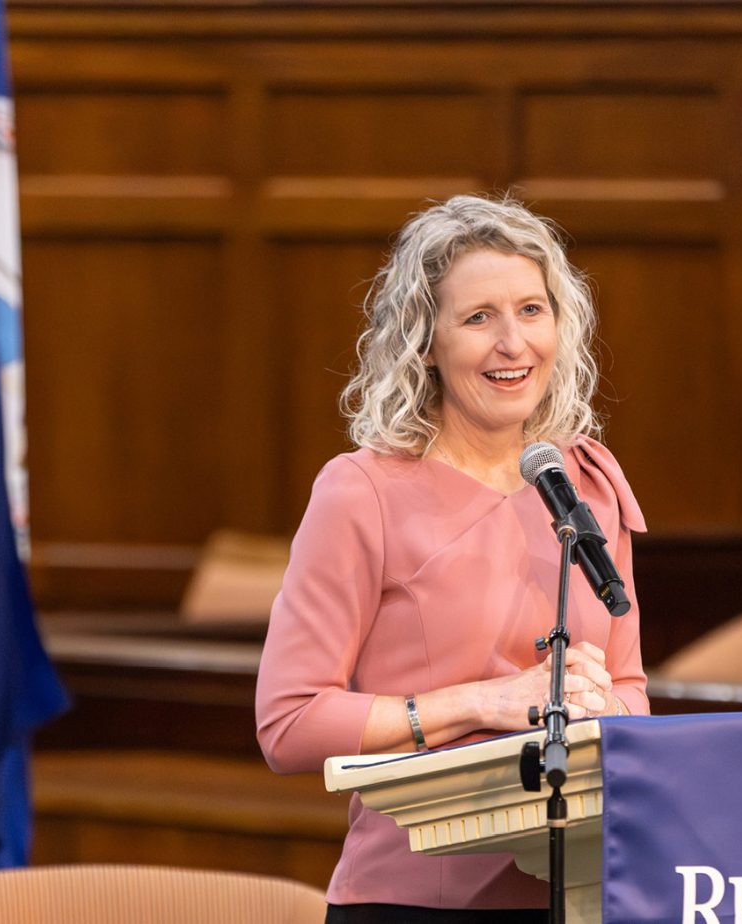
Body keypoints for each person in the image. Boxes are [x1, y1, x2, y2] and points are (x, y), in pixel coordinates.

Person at [255, 194, 650, 922]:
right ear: (425, 342)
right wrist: (482, 703)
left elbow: (629, 685)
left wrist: (604, 704)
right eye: (478, 318)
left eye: (533, 311)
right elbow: (290, 722)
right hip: (418, 902)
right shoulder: (363, 491)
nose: (513, 344)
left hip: (582, 893)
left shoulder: (584, 483)